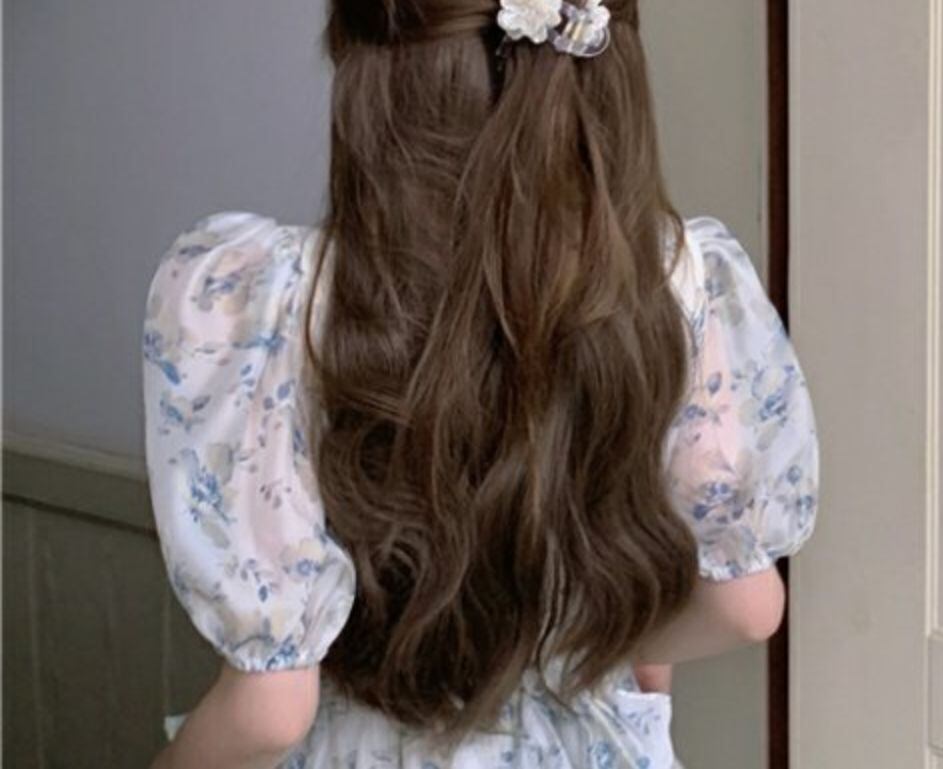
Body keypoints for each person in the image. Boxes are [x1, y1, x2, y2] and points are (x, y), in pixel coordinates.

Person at [138, 0, 818, 766]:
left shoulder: (267, 301)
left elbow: (270, 710)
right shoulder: (676, 281)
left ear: (373, 85)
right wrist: (587, 652)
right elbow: (746, 606)